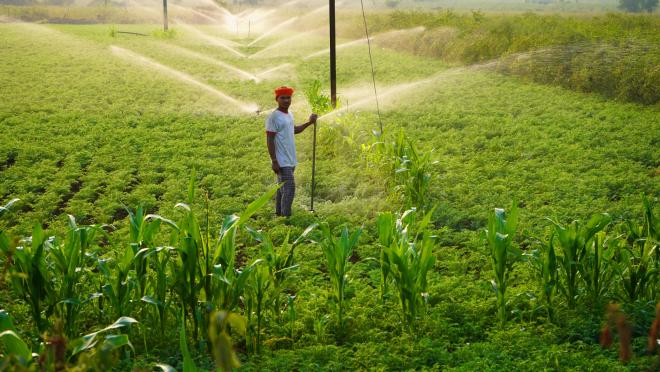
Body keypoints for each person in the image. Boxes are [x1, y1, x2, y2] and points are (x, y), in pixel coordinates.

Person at [266, 86, 317, 217]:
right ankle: (285, 218)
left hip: (290, 159)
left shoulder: (289, 114)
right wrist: (274, 161)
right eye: (283, 98)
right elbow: (270, 139)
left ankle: (278, 215)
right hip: (282, 161)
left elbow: (294, 130)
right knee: (289, 189)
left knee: (281, 189)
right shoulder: (274, 117)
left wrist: (309, 123)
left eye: (288, 97)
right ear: (277, 99)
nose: (286, 100)